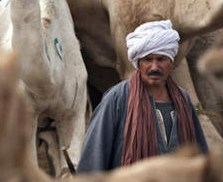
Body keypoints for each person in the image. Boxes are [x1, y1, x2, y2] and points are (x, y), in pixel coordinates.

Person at [77, 19, 208, 173]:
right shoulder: (117, 98)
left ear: (171, 62)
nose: (154, 67)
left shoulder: (182, 99)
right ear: (138, 63)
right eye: (147, 60)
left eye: (161, 59)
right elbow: (94, 157)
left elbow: (200, 155)